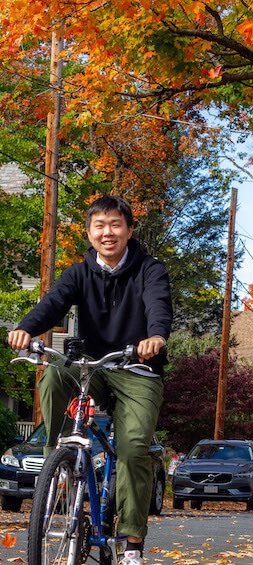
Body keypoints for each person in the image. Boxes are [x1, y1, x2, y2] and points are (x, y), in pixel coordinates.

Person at [7, 195, 172, 565]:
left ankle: (131, 543)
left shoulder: (150, 269)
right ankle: (59, 462)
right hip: (94, 366)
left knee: (132, 450)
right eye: (99, 225)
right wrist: (24, 328)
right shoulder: (79, 272)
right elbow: (53, 303)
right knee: (53, 374)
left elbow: (158, 304)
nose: (107, 232)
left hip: (136, 369)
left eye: (115, 224)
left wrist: (156, 336)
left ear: (129, 230)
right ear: (89, 231)